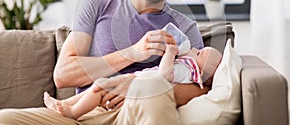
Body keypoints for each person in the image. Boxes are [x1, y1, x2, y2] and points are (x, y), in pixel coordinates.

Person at [0, 0, 209, 124]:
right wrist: (132, 53)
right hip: (83, 112)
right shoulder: (97, 6)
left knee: (153, 89)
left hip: (136, 111)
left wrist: (137, 89)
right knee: (6, 119)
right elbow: (63, 75)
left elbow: (202, 89)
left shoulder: (185, 28)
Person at [43, 45, 222, 120]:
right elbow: (61, 76)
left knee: (99, 86)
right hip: (133, 83)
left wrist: (170, 53)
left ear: (200, 70)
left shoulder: (188, 68)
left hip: (137, 87)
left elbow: (165, 76)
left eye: (199, 53)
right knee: (99, 86)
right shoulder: (189, 66)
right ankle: (65, 104)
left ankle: (73, 111)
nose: (195, 49)